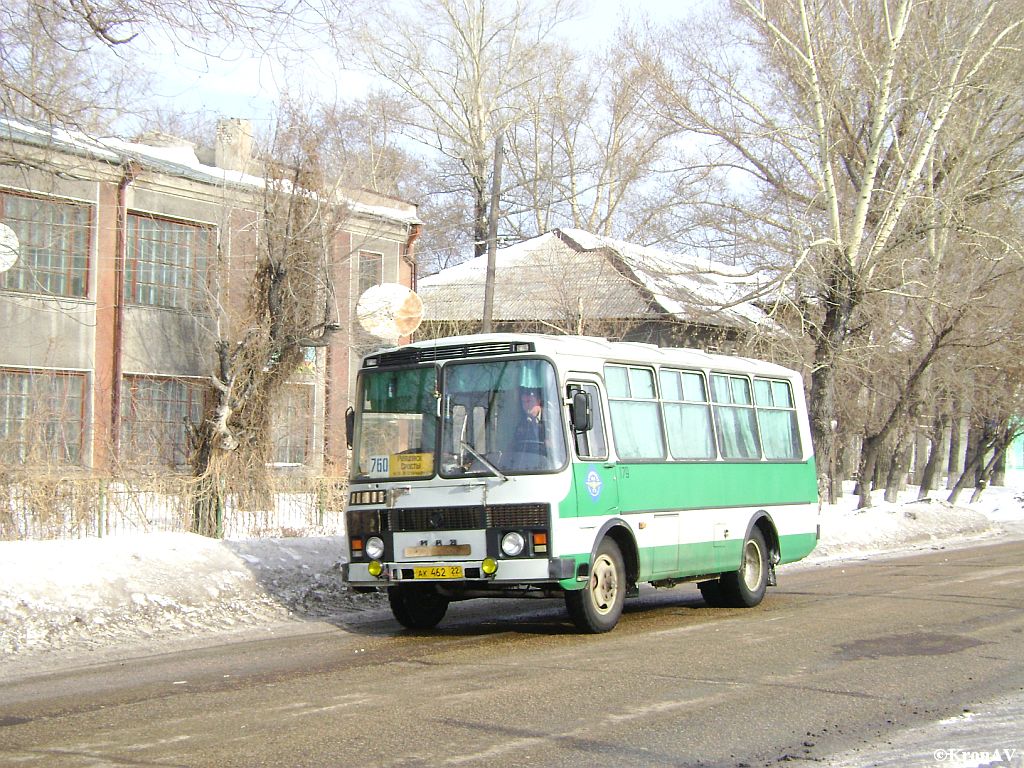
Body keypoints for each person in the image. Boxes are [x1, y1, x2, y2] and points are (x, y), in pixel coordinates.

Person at [514, 387, 546, 454]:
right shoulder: (521, 424)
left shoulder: (551, 419)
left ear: (538, 401)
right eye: (523, 402)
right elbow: (516, 445)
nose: (526, 405)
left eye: (528, 401)